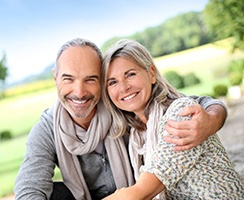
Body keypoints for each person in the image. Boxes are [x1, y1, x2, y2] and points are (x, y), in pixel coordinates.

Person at [14, 38, 228, 200]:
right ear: (55, 78)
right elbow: (29, 187)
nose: (79, 92)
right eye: (68, 79)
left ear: (101, 81)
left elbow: (194, 103)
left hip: (135, 193)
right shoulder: (47, 129)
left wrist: (212, 118)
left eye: (90, 79)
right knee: (55, 193)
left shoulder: (119, 106)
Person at [101, 39, 244, 199]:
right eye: (112, 82)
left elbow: (142, 192)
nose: (123, 87)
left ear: (152, 74)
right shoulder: (137, 134)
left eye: (131, 74)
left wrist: (215, 115)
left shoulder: (180, 115)